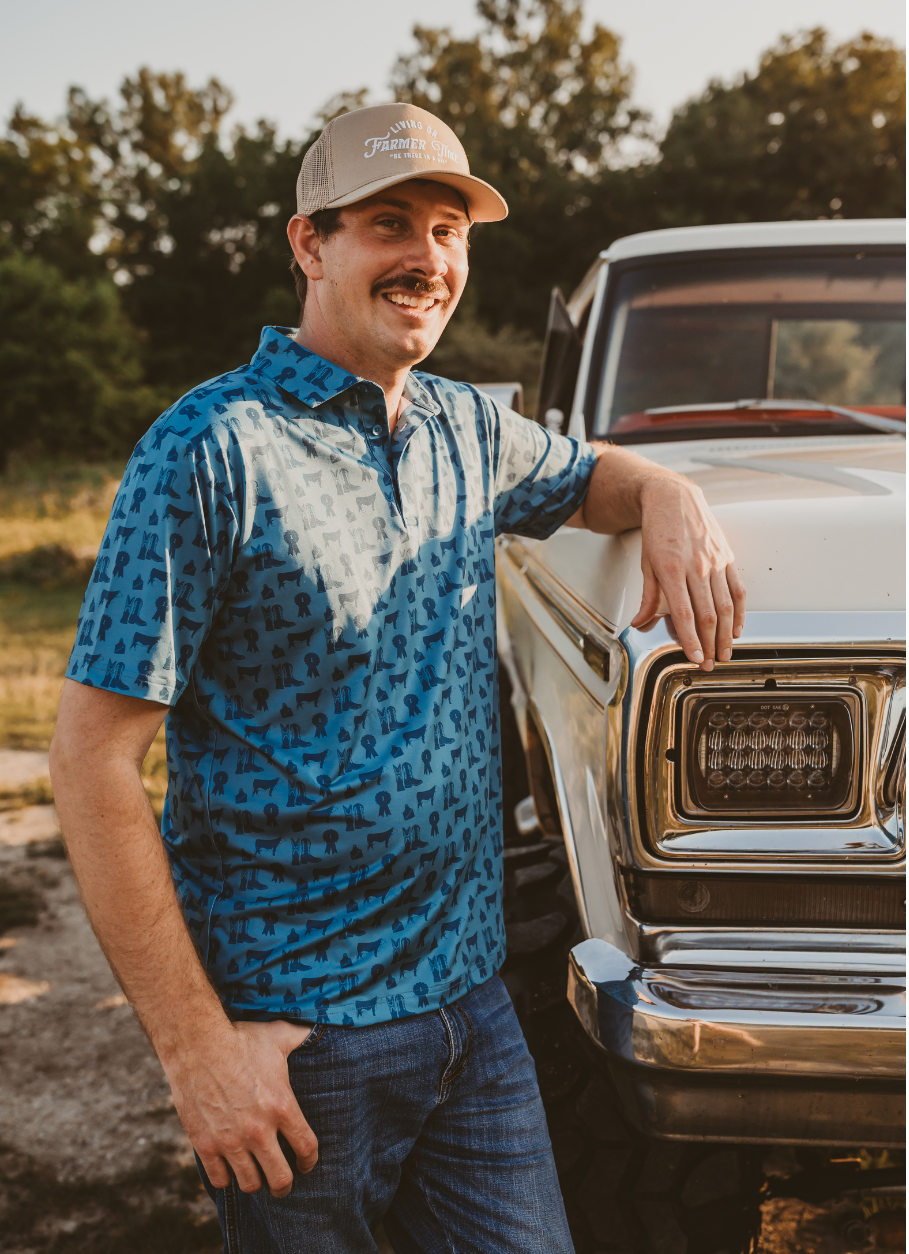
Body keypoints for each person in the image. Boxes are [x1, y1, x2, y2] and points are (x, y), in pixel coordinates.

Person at [50, 102, 745, 1253]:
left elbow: (593, 478)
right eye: (389, 223)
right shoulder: (211, 448)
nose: (427, 257)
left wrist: (672, 494)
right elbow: (90, 759)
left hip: (474, 1011)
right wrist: (197, 1051)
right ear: (310, 244)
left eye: (448, 230)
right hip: (298, 1041)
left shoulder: (470, 429)